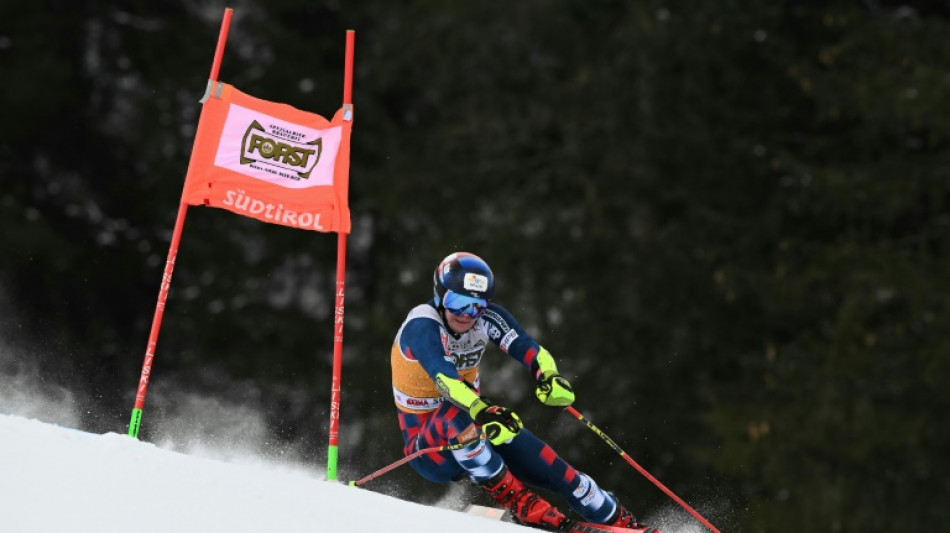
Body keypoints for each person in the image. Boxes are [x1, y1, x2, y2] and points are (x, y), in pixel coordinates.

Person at [390, 251, 655, 531]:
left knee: (562, 474)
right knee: (455, 412)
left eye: (476, 306)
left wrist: (548, 376)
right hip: (429, 447)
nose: (467, 315)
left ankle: (623, 523)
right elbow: (445, 379)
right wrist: (481, 409)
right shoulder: (422, 325)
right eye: (457, 303)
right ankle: (523, 505)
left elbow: (531, 349)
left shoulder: (486, 319)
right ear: (440, 296)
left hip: (479, 425)